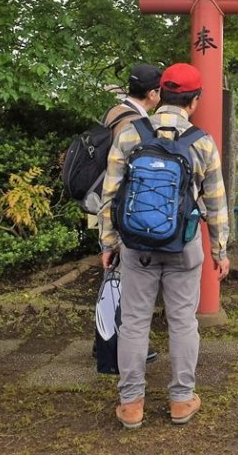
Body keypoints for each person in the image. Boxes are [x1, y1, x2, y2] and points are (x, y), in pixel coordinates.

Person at [99, 62, 230, 429]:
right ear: (194, 100)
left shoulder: (130, 134)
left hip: (136, 246)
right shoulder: (201, 142)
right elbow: (217, 202)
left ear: (161, 94)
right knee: (183, 321)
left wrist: (109, 243)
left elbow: (111, 195)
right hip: (184, 247)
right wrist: (220, 250)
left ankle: (131, 405)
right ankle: (181, 399)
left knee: (135, 323)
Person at [93, 63, 162, 366]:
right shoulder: (133, 123)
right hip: (123, 210)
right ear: (152, 93)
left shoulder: (115, 112)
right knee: (123, 281)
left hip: (105, 203)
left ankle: (106, 342)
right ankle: (116, 346)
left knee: (113, 279)